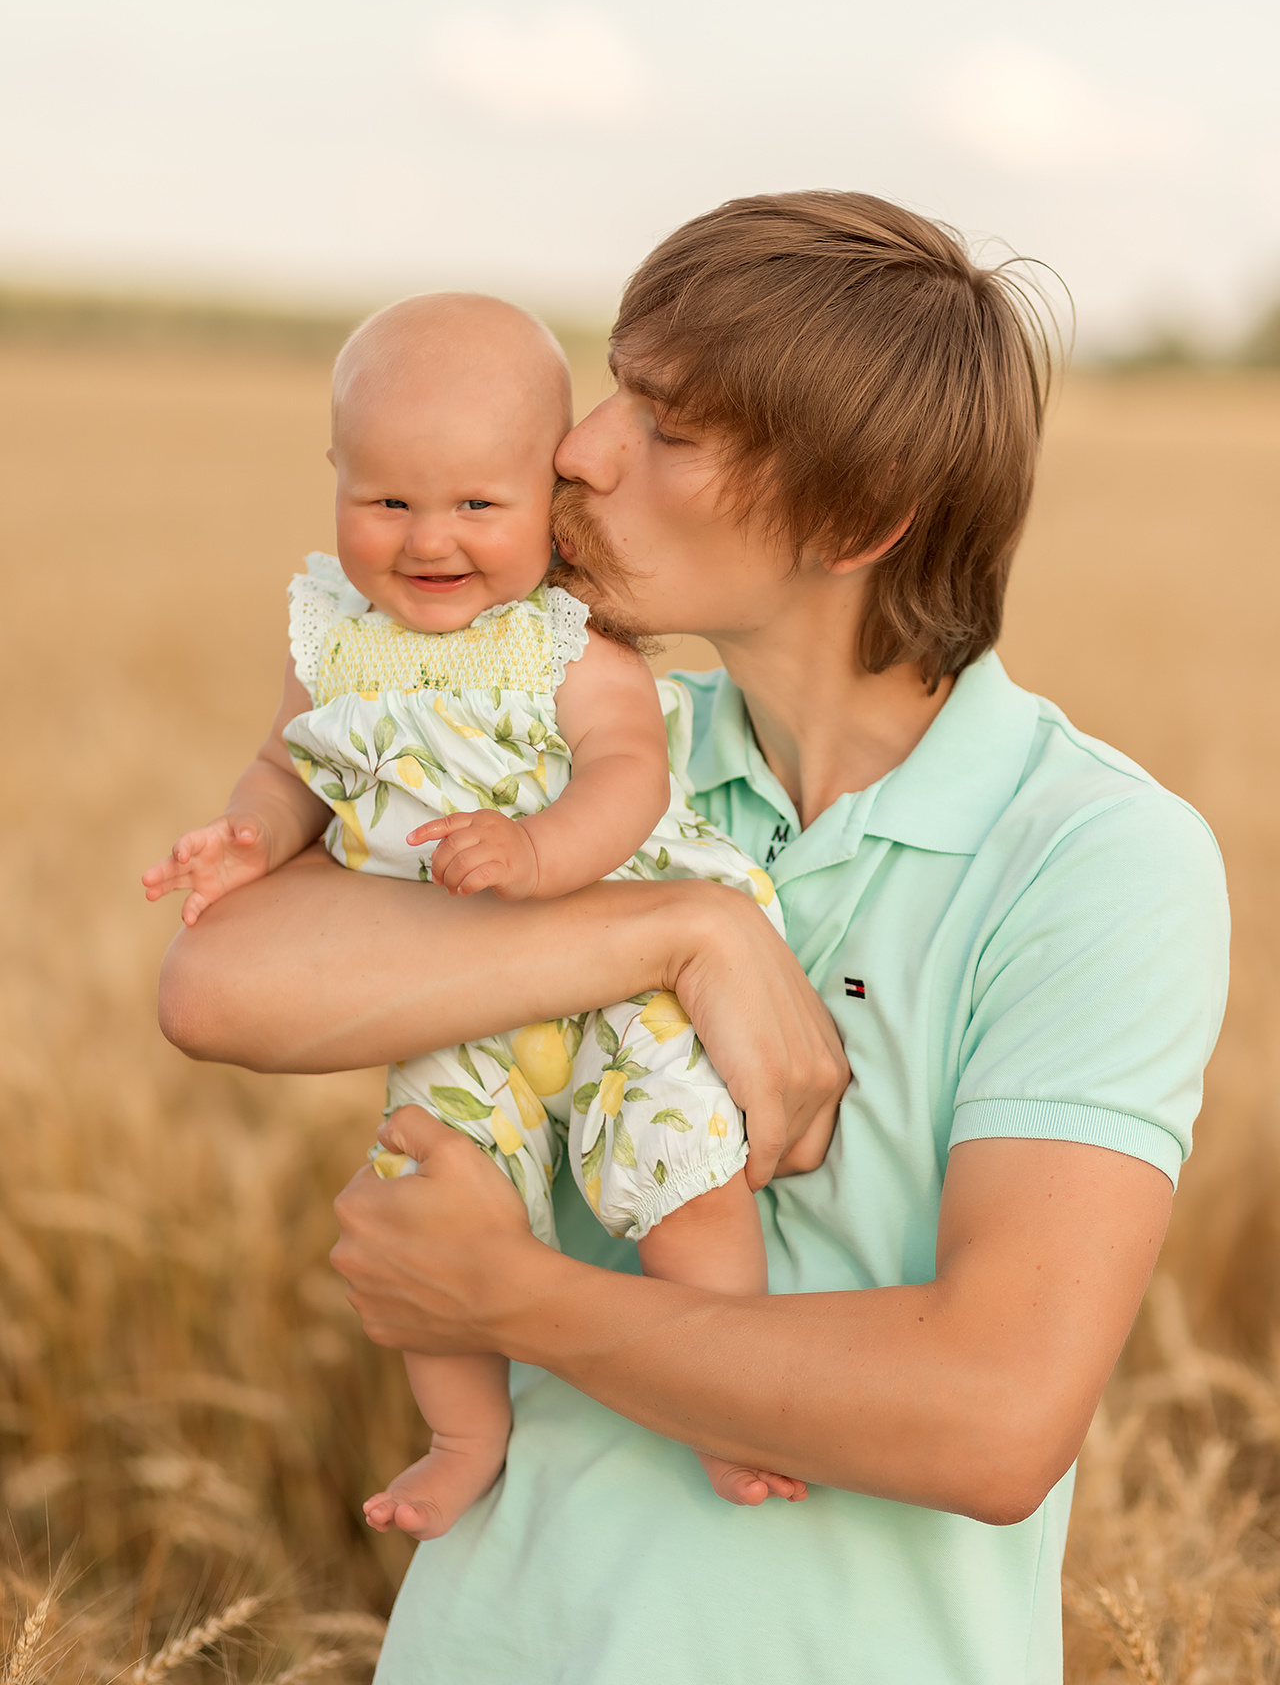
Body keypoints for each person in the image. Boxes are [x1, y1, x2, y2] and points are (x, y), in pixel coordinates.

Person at [159, 192, 1229, 1685]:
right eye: (613, 391)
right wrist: (683, 928)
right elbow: (216, 982)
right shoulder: (573, 753)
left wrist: (506, 1300)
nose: (581, 449)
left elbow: (993, 1417)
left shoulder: (1092, 857)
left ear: (856, 522)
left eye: (667, 426)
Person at [142, 292, 803, 1537]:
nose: (426, 539)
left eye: (477, 507)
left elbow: (627, 775)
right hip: (453, 988)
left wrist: (540, 848)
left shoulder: (564, 644)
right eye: (386, 502)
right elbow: (286, 769)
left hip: (621, 985)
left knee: (680, 1174)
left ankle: (726, 1402)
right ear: (335, 477)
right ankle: (462, 1436)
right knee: (428, 1195)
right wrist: (250, 838)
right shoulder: (327, 644)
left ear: (549, 503)